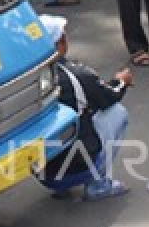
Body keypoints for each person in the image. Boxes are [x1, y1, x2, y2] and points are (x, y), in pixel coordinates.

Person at [39, 15, 132, 201]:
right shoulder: (76, 75)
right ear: (60, 43)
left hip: (43, 173)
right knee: (117, 113)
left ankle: (61, 188)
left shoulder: (27, 78)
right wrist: (122, 81)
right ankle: (98, 185)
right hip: (77, 166)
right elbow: (108, 97)